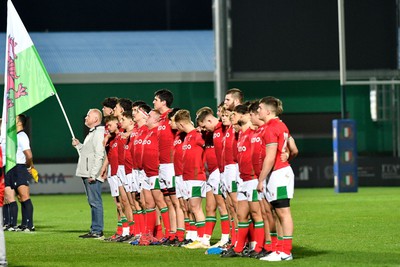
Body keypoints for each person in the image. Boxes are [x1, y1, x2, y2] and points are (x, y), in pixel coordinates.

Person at [257, 97, 295, 262]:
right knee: (277, 213)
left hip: (279, 174)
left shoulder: (272, 127)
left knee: (283, 212)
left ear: (267, 111)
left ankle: (286, 252)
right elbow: (293, 149)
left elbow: (271, 157)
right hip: (278, 173)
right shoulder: (279, 125)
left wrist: (260, 180)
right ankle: (280, 250)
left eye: (259, 108)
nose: (257, 111)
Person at [173, 110, 209, 249]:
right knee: (191, 207)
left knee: (196, 208)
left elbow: (207, 144)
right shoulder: (188, 136)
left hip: (196, 177)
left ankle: (203, 239)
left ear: (181, 124)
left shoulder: (197, 135)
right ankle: (196, 237)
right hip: (187, 177)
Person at [153, 89, 184, 243]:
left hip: (172, 164)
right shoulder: (160, 119)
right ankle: (172, 233)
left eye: (156, 99)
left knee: (177, 201)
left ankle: (181, 234)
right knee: (169, 201)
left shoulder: (174, 116)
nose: (153, 102)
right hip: (163, 165)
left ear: (164, 102)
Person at [72, 109, 106, 239]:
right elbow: (88, 153)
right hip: (88, 172)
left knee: (95, 201)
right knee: (92, 201)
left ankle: (97, 230)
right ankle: (95, 229)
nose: (85, 118)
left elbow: (99, 154)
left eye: (88, 116)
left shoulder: (98, 133)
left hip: (91, 173)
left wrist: (94, 173)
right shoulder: (93, 133)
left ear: (96, 119)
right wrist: (78, 145)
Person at [4, 114, 35, 232]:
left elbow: (29, 154)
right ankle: (23, 224)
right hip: (11, 167)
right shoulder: (13, 136)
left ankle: (29, 224)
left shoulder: (22, 136)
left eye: (15, 118)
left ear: (19, 122)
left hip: (19, 167)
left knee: (24, 196)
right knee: (18, 197)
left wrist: (28, 165)